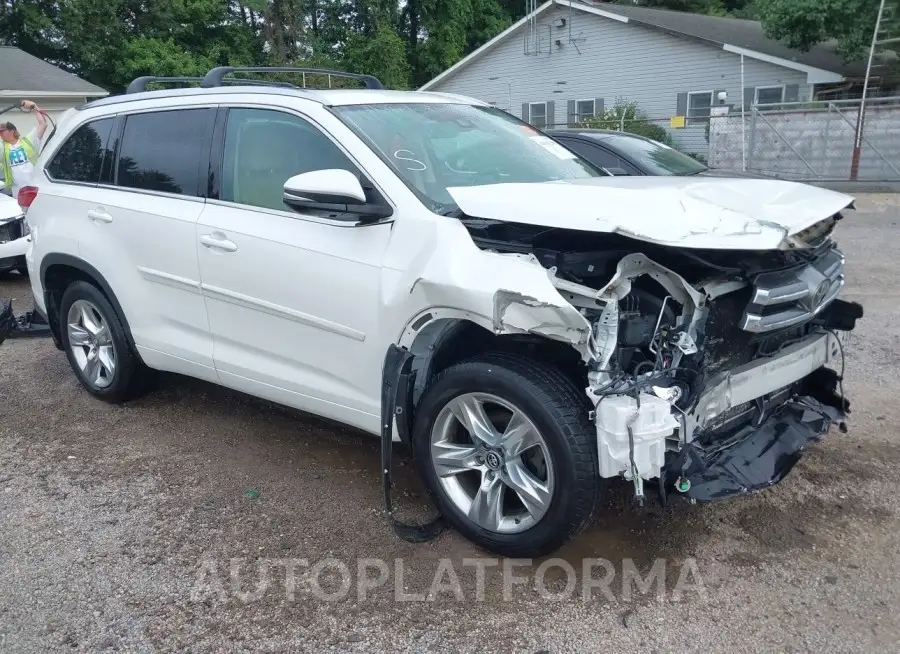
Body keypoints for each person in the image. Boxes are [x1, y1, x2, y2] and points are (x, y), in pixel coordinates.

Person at [1, 100, 48, 201]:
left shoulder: (29, 141)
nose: (0, 134)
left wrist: (34, 106)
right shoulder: (2, 148)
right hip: (18, 194)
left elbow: (43, 124)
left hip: (37, 189)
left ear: (12, 130)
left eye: (2, 131)